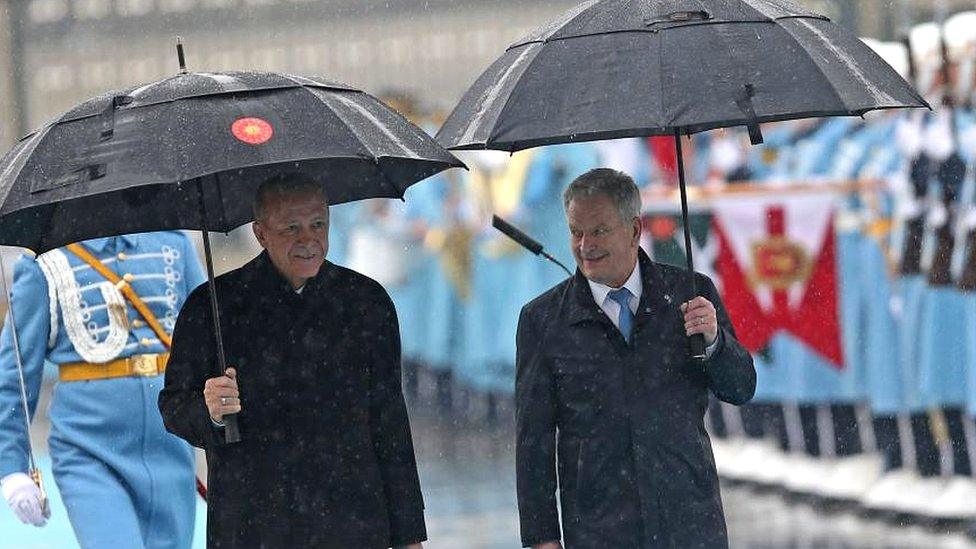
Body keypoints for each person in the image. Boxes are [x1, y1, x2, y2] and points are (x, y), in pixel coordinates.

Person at [158, 173, 427, 548]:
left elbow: (390, 423)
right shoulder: (212, 307)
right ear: (260, 233)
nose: (308, 241)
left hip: (352, 520)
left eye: (318, 225)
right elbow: (173, 407)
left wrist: (409, 533)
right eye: (291, 228)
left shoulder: (366, 303)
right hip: (252, 521)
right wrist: (211, 410)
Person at [515, 168, 756, 549]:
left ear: (634, 229)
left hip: (688, 519)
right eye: (576, 231)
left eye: (599, 230)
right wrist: (541, 538)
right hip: (599, 525)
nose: (585, 244)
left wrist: (714, 341)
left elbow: (741, 387)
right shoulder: (543, 320)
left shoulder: (689, 295)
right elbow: (534, 441)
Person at [0, 232, 206, 548]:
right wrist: (11, 467)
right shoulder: (44, 262)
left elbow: (206, 342)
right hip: (88, 451)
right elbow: (16, 374)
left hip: (171, 447)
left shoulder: (174, 245)